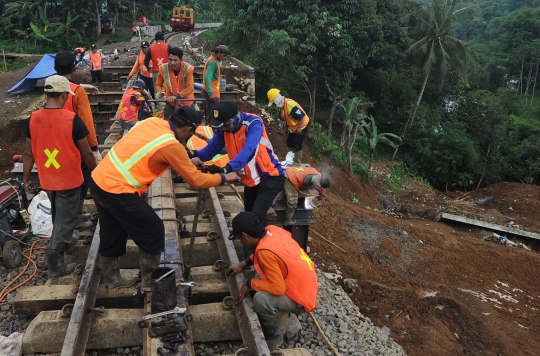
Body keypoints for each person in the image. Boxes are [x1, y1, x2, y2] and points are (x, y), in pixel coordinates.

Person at [90, 107, 238, 290]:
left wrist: (186, 162)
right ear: (188, 130)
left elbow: (151, 152)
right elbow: (197, 180)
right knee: (153, 230)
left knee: (111, 230)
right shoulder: (171, 144)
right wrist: (224, 177)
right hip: (118, 190)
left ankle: (112, 279)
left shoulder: (151, 122)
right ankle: (149, 282)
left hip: (99, 180)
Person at [23, 75, 97, 279]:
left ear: (46, 95)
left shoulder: (33, 119)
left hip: (48, 180)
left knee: (59, 216)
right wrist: (96, 171)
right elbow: (87, 153)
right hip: (70, 180)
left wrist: (26, 180)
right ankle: (55, 265)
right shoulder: (73, 120)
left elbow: (28, 154)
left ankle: (66, 242)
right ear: (64, 95)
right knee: (66, 220)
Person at [226, 212, 318, 350]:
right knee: (261, 272)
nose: (241, 241)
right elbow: (262, 252)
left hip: (301, 297)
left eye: (239, 238)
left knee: (261, 300)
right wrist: (242, 264)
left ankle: (274, 337)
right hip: (306, 282)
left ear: (245, 235)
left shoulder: (264, 252)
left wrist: (250, 283)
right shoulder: (271, 231)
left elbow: (278, 288)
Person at [189, 101, 285, 226]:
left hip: (270, 176)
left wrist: (226, 169)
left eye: (225, 125)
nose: (223, 129)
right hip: (250, 179)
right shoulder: (223, 129)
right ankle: (252, 242)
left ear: (234, 118)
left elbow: (248, 150)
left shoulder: (254, 123)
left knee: (257, 216)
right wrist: (191, 154)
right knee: (249, 215)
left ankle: (264, 243)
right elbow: (210, 150)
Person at [54, 50, 101, 231]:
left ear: (55, 68)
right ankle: (77, 218)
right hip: (77, 145)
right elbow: (86, 122)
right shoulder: (78, 93)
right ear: (74, 69)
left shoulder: (50, 90)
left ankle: (75, 215)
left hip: (59, 144)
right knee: (82, 180)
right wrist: (93, 147)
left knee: (66, 182)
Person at [267, 89, 310, 166]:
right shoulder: (282, 107)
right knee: (289, 142)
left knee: (297, 143)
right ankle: (290, 160)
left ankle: (297, 163)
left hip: (302, 125)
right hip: (294, 127)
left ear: (276, 99)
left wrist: (299, 128)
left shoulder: (289, 105)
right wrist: (286, 128)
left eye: (273, 102)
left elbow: (301, 116)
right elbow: (286, 118)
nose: (274, 104)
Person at [155, 47, 195, 119]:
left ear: (181, 60)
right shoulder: (163, 68)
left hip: (187, 101)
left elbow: (190, 88)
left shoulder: (188, 68)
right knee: (167, 122)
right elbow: (158, 84)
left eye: (175, 60)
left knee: (191, 121)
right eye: (170, 60)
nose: (172, 63)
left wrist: (177, 96)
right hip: (171, 102)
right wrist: (159, 91)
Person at [202, 45, 229, 121]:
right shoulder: (213, 62)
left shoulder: (212, 60)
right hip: (211, 93)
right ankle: (210, 131)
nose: (224, 57)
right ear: (219, 53)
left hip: (210, 91)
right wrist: (210, 93)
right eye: (224, 55)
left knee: (211, 115)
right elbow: (208, 77)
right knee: (212, 117)